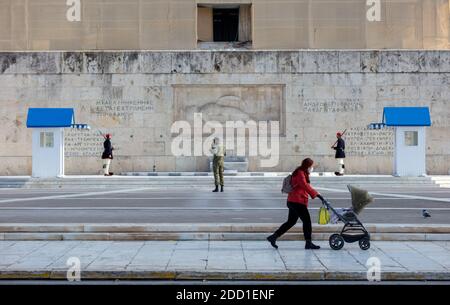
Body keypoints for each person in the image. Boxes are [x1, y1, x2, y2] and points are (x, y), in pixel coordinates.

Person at [267, 158, 324, 250]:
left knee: (291, 221)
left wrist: (316, 193)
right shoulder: (300, 173)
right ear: (307, 166)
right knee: (307, 221)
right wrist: (316, 194)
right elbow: (304, 185)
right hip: (297, 202)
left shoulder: (300, 171)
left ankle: (273, 237)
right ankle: (308, 242)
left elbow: (305, 185)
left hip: (293, 201)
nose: (312, 168)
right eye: (311, 166)